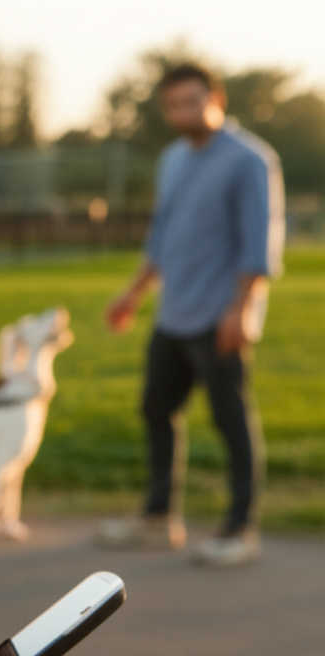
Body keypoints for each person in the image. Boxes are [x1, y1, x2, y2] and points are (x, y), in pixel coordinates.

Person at [98, 63, 285, 567]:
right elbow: (162, 237)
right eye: (174, 104)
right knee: (156, 410)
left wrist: (241, 310)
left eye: (193, 101)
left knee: (230, 420)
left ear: (216, 100)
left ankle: (240, 529)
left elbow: (259, 243)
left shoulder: (250, 159)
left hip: (219, 316)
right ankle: (159, 518)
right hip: (173, 313)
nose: (184, 112)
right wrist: (132, 295)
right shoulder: (174, 159)